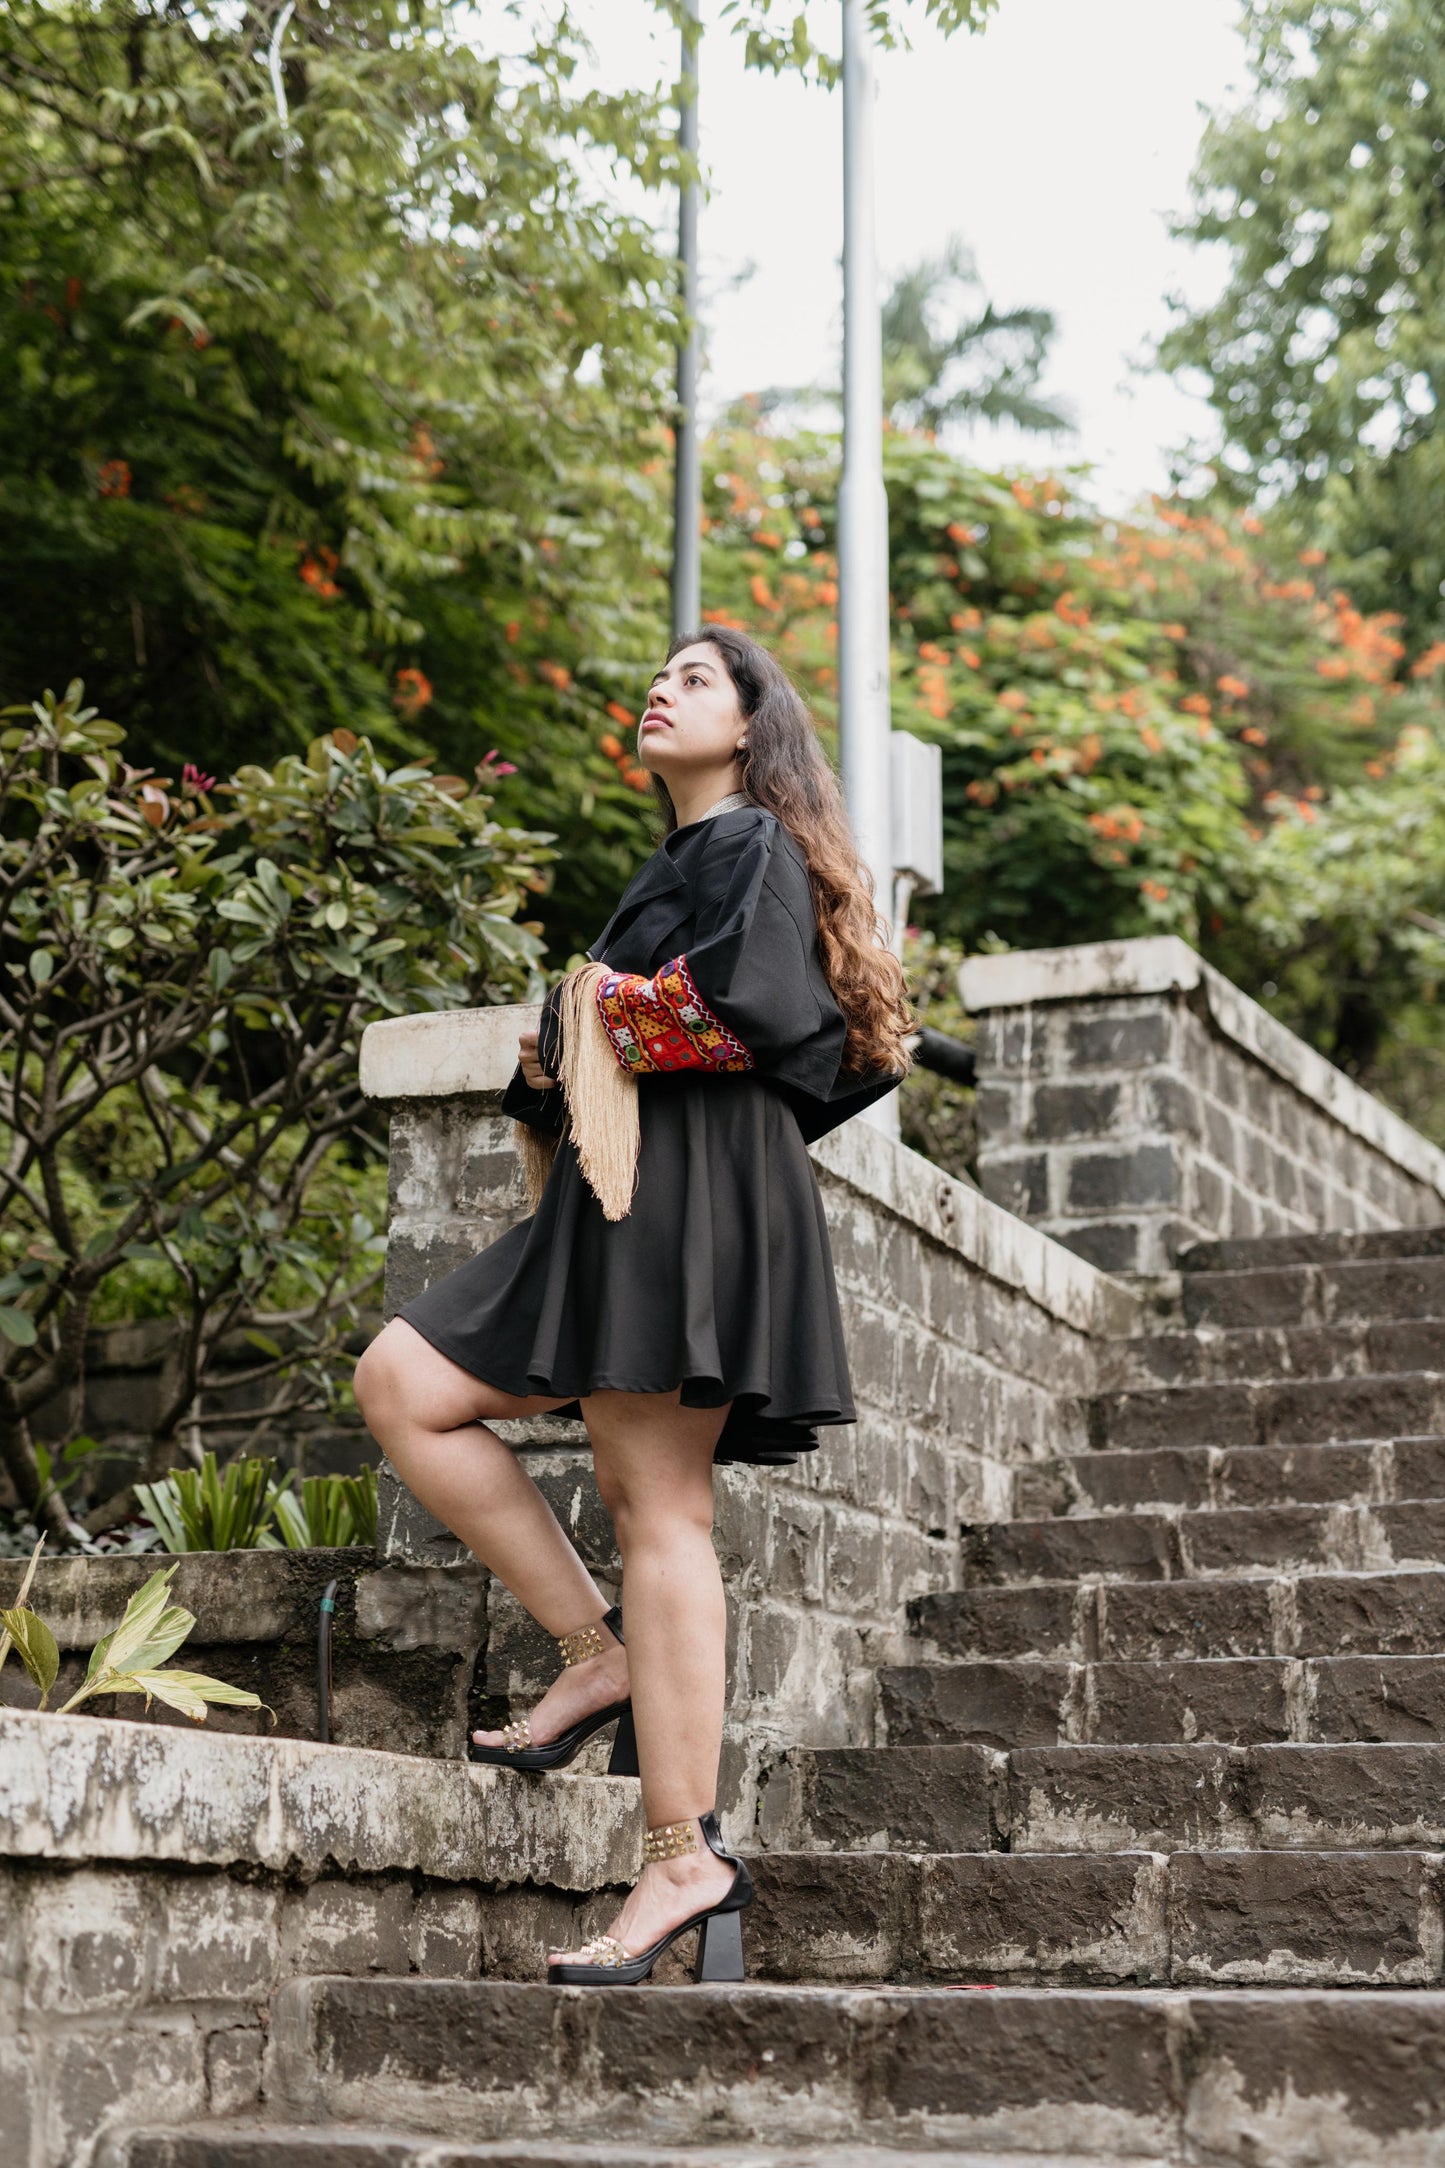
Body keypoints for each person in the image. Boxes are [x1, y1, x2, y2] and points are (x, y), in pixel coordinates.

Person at [354, 626, 911, 1986]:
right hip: (627, 1192)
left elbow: (760, 1016)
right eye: (658, 675)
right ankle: (592, 1659)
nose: (661, 689)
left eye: (696, 678)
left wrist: (594, 1011)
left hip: (687, 1186)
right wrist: (569, 1036)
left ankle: (682, 1851)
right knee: (405, 1382)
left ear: (752, 723)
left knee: (660, 1505)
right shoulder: (689, 857)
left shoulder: (749, 846)